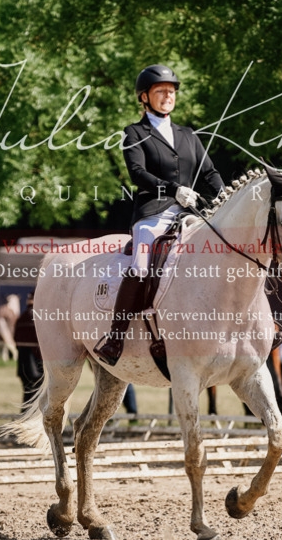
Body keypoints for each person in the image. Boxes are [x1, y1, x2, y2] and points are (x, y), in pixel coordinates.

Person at [94, 64, 225, 366]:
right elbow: (137, 173)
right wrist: (173, 189)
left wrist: (222, 194)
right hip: (154, 214)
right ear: (144, 97)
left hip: (190, 213)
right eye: (160, 91)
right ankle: (115, 337)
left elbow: (209, 171)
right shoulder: (134, 133)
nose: (168, 96)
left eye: (171, 91)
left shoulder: (188, 134)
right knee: (141, 266)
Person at [14, 293, 44, 411]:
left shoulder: (22, 316)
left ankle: (25, 415)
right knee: (36, 393)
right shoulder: (40, 316)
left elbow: (16, 338)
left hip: (23, 363)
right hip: (36, 363)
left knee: (27, 393)